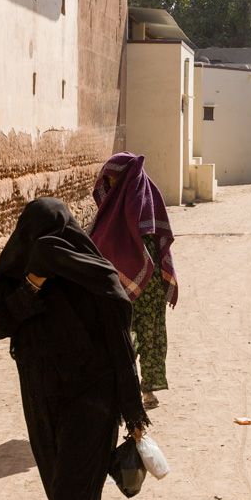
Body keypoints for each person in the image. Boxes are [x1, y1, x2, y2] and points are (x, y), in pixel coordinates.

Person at [0, 197, 149, 500]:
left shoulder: (93, 274)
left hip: (93, 399)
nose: (47, 248)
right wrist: (32, 284)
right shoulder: (18, 275)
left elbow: (121, 341)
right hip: (42, 399)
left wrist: (131, 406)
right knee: (67, 495)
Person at [90, 153, 179, 410]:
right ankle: (123, 388)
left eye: (111, 178)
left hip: (146, 285)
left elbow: (157, 241)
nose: (108, 184)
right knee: (120, 335)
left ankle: (148, 389)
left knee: (148, 334)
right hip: (119, 285)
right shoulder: (114, 209)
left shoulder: (143, 199)